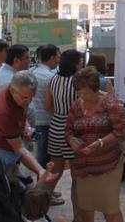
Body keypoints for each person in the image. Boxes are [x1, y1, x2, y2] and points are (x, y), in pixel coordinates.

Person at [0, 71, 55, 222]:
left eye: (31, 97)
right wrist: (40, 170)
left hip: (4, 151)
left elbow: (20, 117)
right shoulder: (2, 110)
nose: (28, 101)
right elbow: (19, 148)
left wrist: (26, 129)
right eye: (25, 97)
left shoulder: (17, 96)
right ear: (12, 89)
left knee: (13, 192)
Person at [66, 66, 125, 222]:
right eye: (79, 91)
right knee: (86, 209)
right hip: (83, 167)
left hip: (108, 165)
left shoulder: (110, 103)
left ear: (95, 88)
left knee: (110, 209)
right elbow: (68, 130)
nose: (81, 95)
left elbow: (120, 131)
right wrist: (71, 140)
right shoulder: (76, 106)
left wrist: (100, 143)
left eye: (85, 92)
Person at [45, 49, 82, 220]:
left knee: (54, 172)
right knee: (77, 177)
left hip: (55, 127)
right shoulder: (79, 82)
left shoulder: (52, 80)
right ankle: (77, 217)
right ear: (76, 63)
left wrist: (60, 113)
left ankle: (38, 208)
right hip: (74, 130)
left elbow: (47, 106)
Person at [29, 44, 60, 169]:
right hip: (46, 123)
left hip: (32, 122)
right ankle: (42, 185)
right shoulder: (50, 77)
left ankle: (39, 182)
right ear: (52, 57)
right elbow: (51, 104)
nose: (58, 60)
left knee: (35, 155)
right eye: (57, 56)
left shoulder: (30, 72)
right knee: (44, 157)